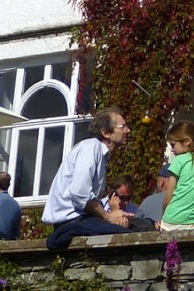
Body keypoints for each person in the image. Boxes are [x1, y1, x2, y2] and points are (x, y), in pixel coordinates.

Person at [42, 107, 134, 250]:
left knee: (137, 225)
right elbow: (79, 193)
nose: (128, 131)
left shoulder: (99, 153)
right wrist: (108, 216)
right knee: (128, 233)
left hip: (82, 219)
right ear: (106, 132)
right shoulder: (91, 147)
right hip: (71, 221)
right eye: (123, 127)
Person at [156, 121, 194, 229]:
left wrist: (164, 216)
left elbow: (168, 197)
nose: (172, 150)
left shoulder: (180, 160)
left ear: (187, 141)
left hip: (174, 220)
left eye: (173, 145)